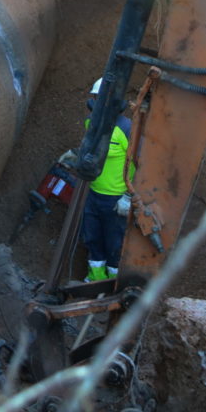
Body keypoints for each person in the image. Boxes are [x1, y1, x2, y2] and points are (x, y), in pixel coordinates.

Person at [80, 78, 135, 283]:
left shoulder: (127, 129)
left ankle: (113, 285)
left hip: (115, 200)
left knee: (114, 244)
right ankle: (94, 281)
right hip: (93, 194)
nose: (99, 102)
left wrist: (129, 196)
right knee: (93, 239)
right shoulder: (90, 123)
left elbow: (142, 163)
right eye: (96, 98)